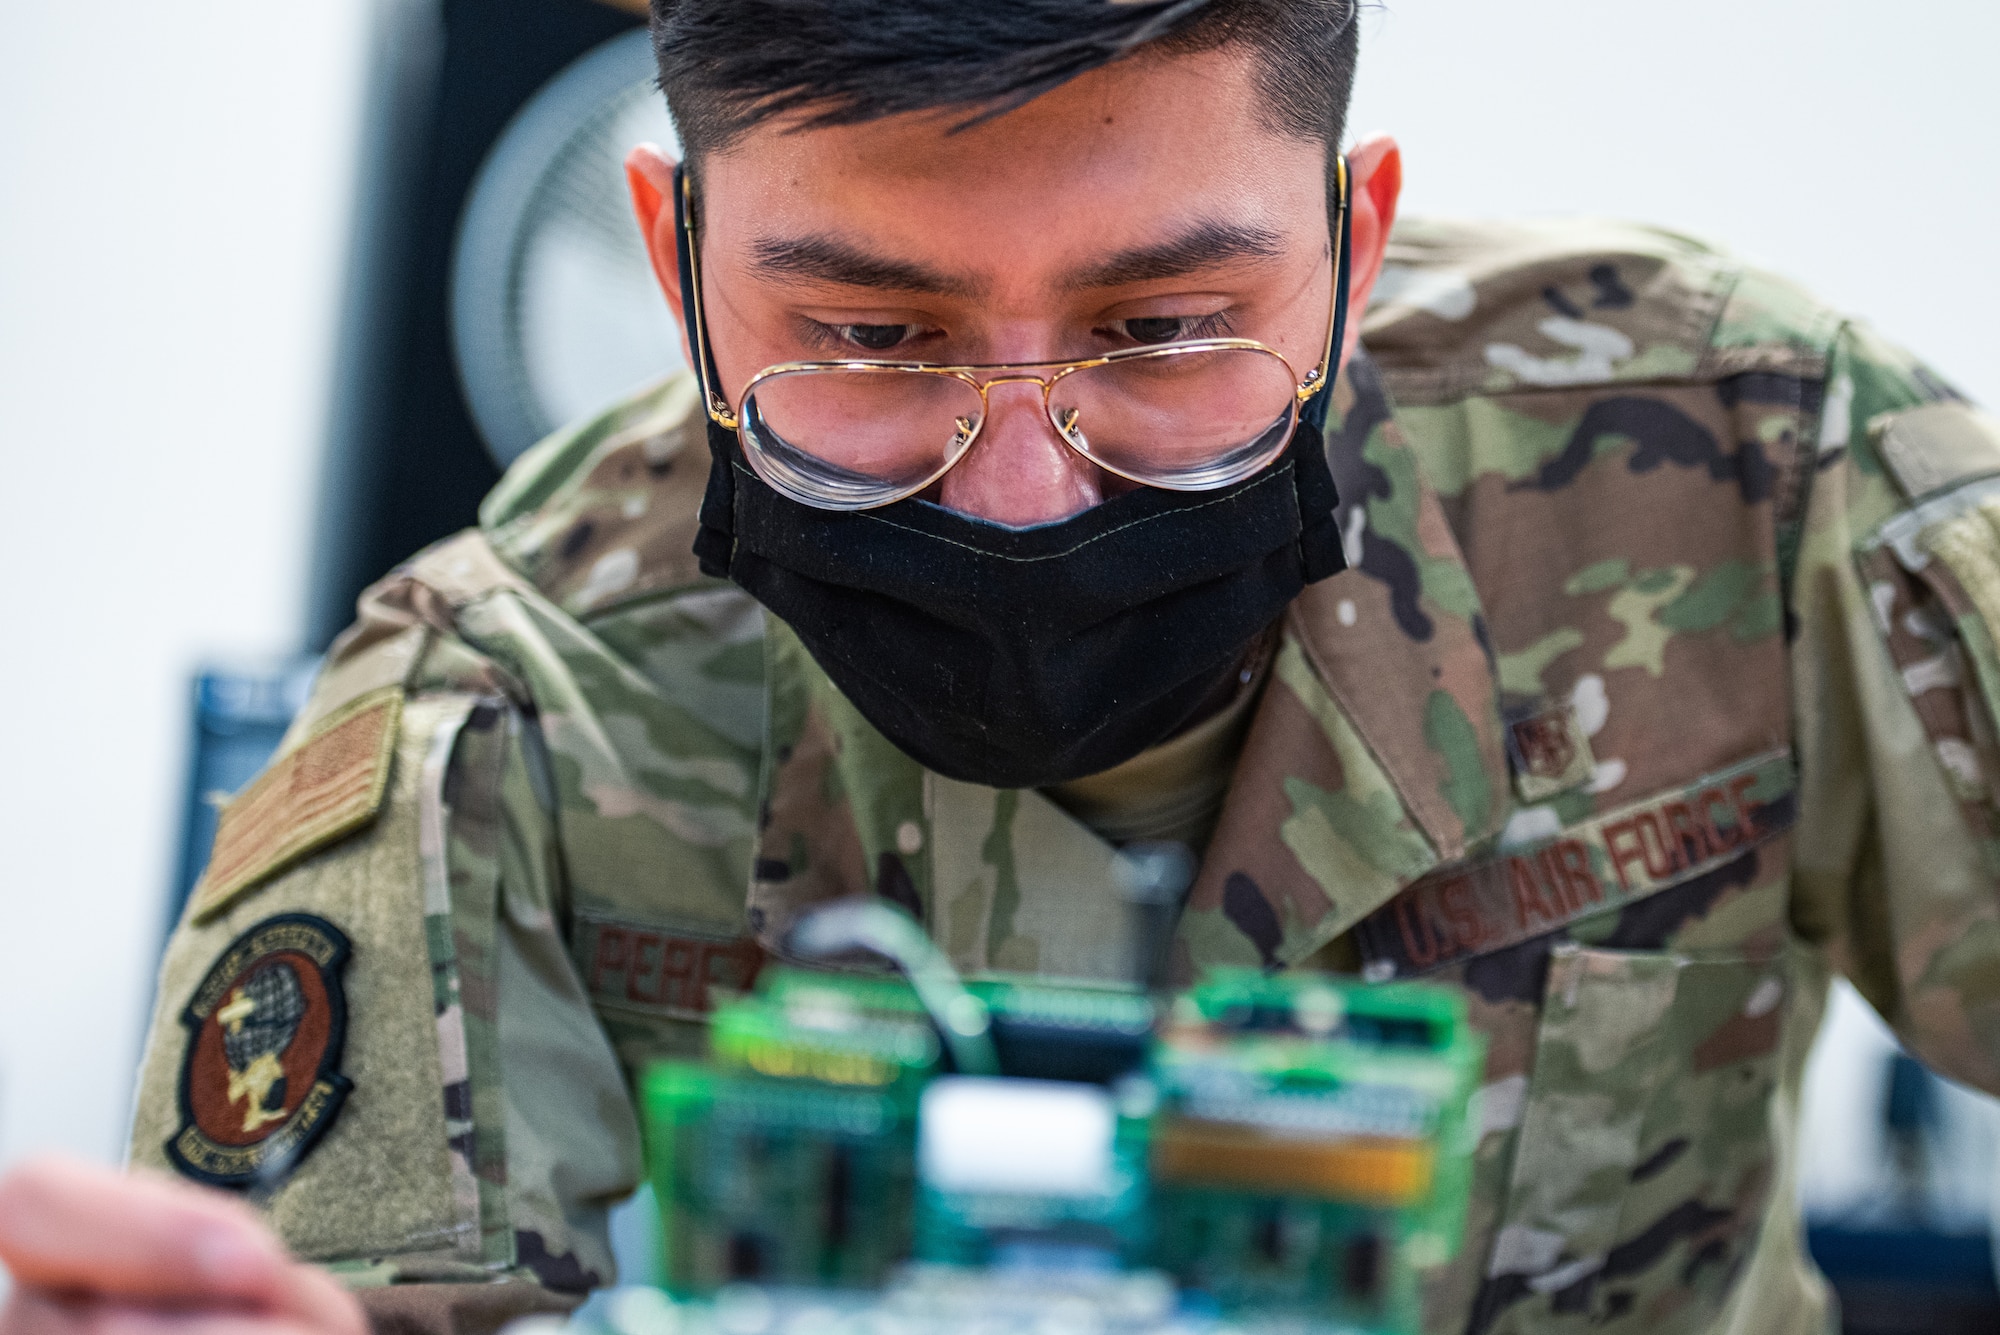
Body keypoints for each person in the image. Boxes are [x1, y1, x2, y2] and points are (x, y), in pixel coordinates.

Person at [5, 1, 1999, 1332]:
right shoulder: (492, 716)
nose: (1032, 490)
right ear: (677, 259)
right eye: (872, 341)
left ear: (1353, 239)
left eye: (1164, 325)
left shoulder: (1743, 468)